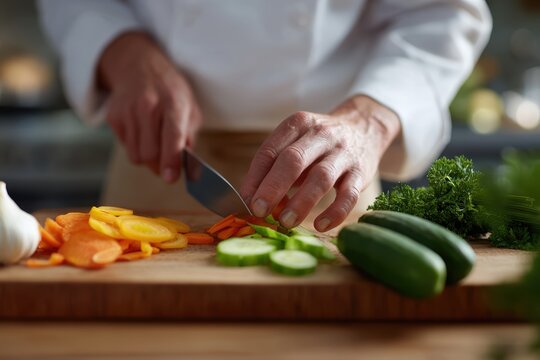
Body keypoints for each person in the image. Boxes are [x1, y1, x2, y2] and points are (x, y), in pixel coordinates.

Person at [37, 0, 491, 232]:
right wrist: (120, 47)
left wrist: (368, 120)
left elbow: (443, 11)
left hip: (327, 175)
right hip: (155, 154)